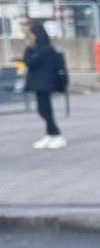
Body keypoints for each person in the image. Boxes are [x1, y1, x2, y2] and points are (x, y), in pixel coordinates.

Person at [23, 19, 65, 150]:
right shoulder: (32, 49)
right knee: (42, 109)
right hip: (38, 82)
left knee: (46, 110)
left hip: (46, 82)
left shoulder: (47, 50)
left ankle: (57, 135)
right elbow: (28, 61)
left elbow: (32, 63)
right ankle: (50, 133)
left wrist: (33, 54)